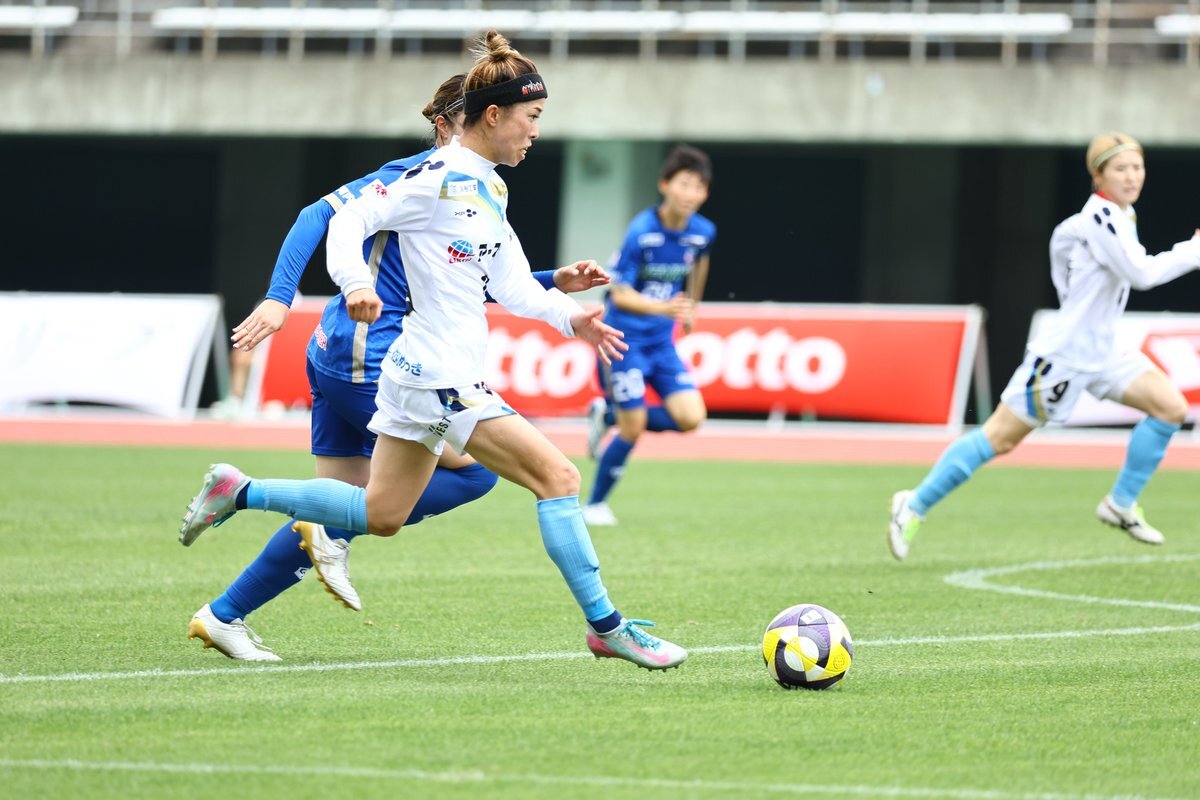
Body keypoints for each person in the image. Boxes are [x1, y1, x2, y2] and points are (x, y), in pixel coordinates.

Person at [180, 30, 688, 671]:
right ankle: (608, 627)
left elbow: (509, 284)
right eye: (532, 118)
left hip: (414, 371)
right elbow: (343, 221)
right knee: (558, 478)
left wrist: (571, 318)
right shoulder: (436, 177)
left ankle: (241, 490)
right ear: (493, 115)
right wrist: (355, 283)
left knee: (381, 513)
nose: (536, 133)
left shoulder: (489, 187)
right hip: (438, 376)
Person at [888, 132, 1200, 561]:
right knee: (999, 438)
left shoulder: (1116, 215)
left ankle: (1120, 503)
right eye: (1120, 169)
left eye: (1137, 167)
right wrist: (1193, 250)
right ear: (1098, 176)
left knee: (1170, 408)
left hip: (1104, 351)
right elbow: (1141, 274)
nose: (1132, 176)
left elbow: (1062, 258)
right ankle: (913, 503)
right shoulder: (1101, 217)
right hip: (1064, 358)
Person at [582, 145, 716, 527]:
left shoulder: (702, 232)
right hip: (624, 340)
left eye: (699, 187)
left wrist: (692, 306)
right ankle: (593, 505)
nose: (691, 194)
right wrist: (665, 308)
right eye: (684, 184)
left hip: (661, 343)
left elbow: (701, 261)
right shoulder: (642, 232)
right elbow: (618, 293)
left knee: (691, 417)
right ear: (665, 185)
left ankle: (609, 414)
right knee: (634, 427)